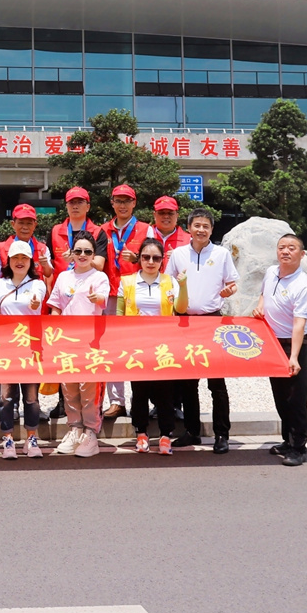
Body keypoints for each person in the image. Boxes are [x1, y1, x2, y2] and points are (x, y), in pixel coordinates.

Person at [164, 208, 240, 453]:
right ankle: (192, 431)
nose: (201, 230)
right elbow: (168, 282)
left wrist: (230, 290)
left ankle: (222, 434)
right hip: (184, 322)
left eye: (205, 226)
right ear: (188, 228)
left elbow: (232, 283)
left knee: (217, 383)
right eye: (196, 225)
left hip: (212, 322)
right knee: (187, 382)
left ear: (211, 229)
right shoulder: (177, 254)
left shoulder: (221, 254)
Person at [117, 243, 188, 455]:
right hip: (136, 344)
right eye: (146, 257)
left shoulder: (170, 281)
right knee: (139, 390)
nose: (150, 262)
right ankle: (141, 432)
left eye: (156, 258)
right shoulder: (127, 282)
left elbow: (182, 309)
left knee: (165, 391)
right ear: (139, 258)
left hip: (163, 345)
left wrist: (183, 286)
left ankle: (166, 435)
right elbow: (119, 315)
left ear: (161, 261)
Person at [46, 236, 110, 457]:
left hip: (91, 342)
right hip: (66, 340)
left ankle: (91, 433)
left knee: (88, 387)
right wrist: (55, 331)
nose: (82, 255)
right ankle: (74, 428)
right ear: (72, 253)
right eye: (79, 251)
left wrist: (97, 298)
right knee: (69, 386)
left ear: (94, 255)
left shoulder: (100, 277)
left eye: (88, 252)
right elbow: (55, 306)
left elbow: (103, 299)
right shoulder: (63, 277)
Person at [259, 233, 307, 467]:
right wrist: (259, 307)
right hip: (272, 342)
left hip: (293, 344)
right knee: (281, 396)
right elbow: (263, 295)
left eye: (291, 248)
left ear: (301, 255)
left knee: (296, 398)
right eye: (282, 247)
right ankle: (287, 439)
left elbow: (299, 325)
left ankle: (298, 447)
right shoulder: (271, 273)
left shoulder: (303, 286)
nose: (285, 251)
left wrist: (293, 356)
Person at [0, 240, 47, 459]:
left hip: (31, 347)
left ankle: (31, 438)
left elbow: (37, 303)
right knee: (6, 397)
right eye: (15, 258)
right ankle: (8, 439)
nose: (19, 262)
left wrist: (33, 305)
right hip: (6, 347)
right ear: (8, 261)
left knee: (31, 397)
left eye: (24, 258)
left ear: (30, 261)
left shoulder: (37, 284)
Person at [97, 185, 151, 418]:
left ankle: (143, 400)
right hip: (110, 296)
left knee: (141, 346)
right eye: (118, 200)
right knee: (111, 348)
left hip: (137, 295)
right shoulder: (102, 230)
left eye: (126, 201)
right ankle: (116, 401)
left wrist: (138, 259)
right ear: (112, 203)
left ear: (134, 203)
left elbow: (155, 262)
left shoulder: (146, 229)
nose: (122, 205)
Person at [47, 186, 100, 419]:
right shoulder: (56, 230)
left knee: (89, 354)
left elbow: (100, 262)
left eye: (80, 202)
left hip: (87, 300)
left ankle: (91, 406)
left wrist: (80, 260)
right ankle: (63, 402)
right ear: (66, 206)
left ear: (88, 206)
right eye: (71, 202)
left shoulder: (98, 231)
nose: (75, 206)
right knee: (63, 350)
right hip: (62, 298)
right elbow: (49, 266)